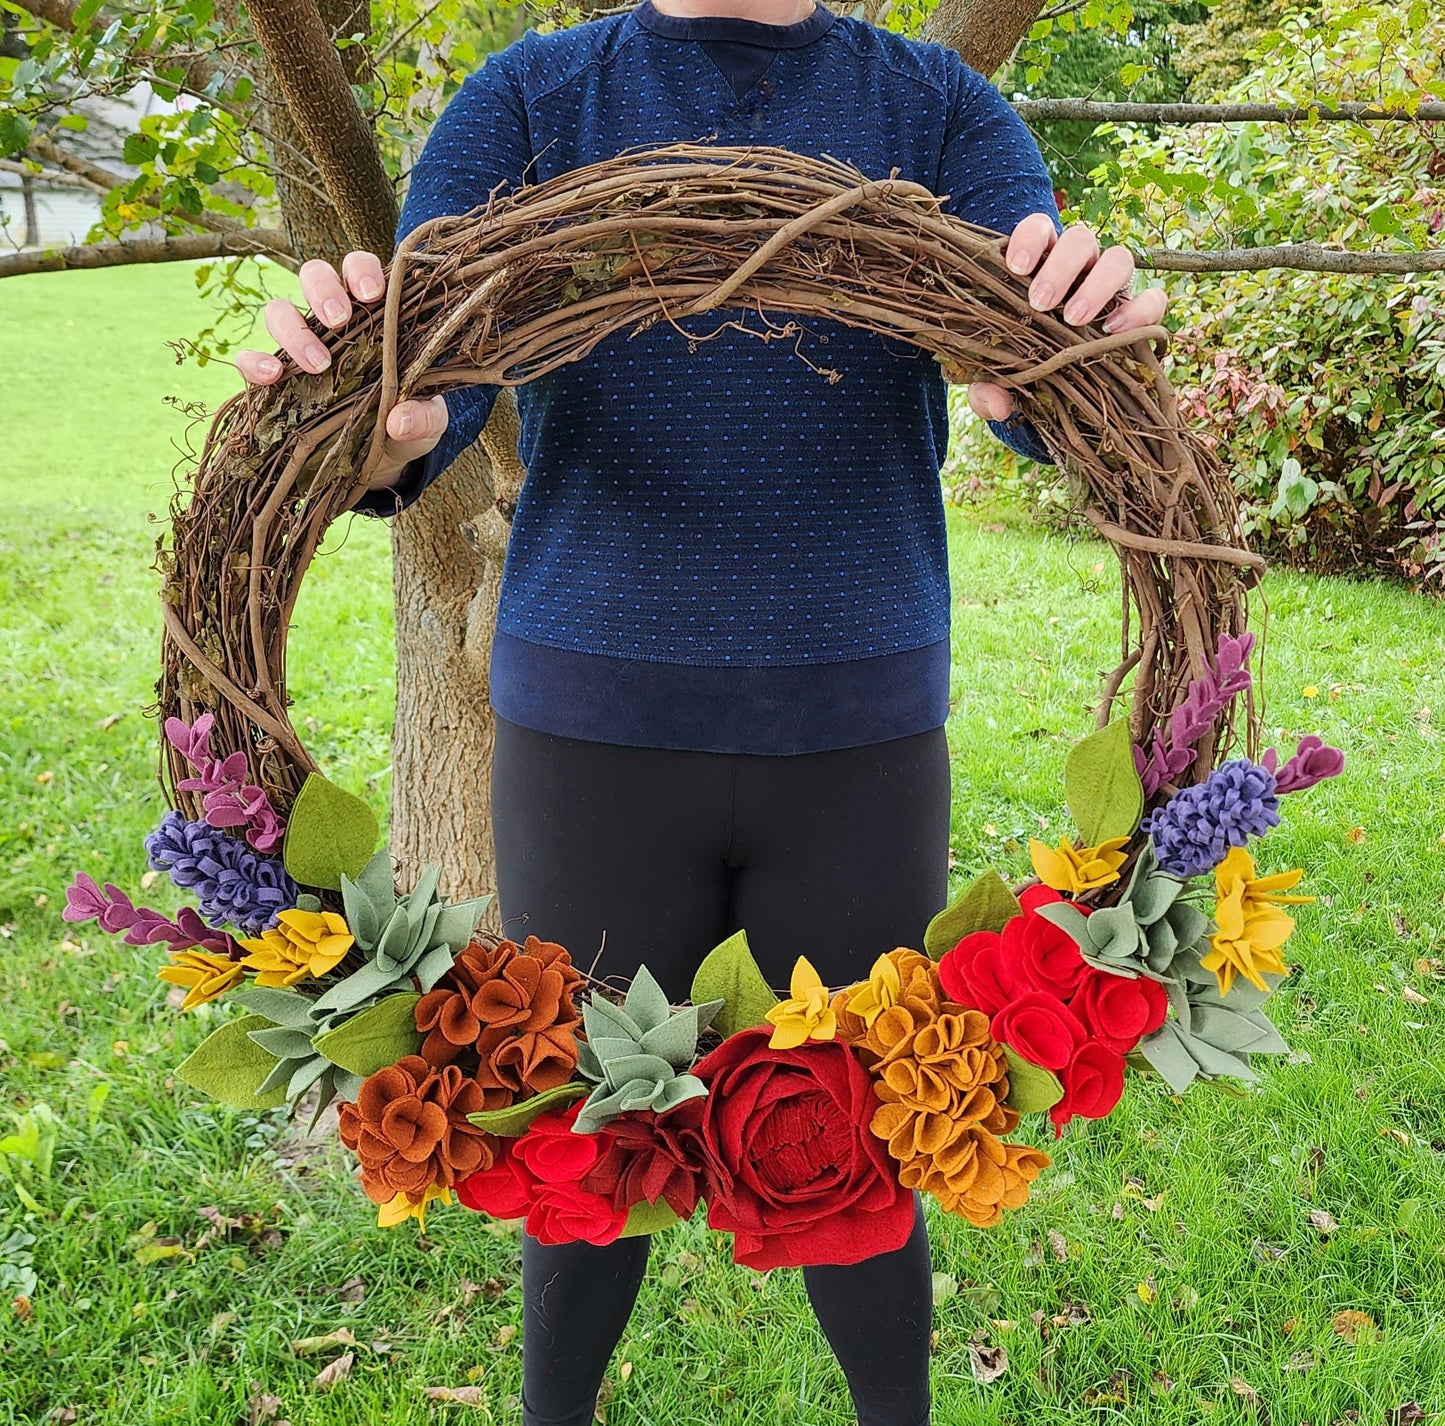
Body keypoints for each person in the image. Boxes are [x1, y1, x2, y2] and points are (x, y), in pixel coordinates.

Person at [239, 2, 1166, 1421]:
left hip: (858, 730)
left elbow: (1028, 381)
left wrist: (1071, 353)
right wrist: (366, 429)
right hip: (590, 732)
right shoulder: (533, 103)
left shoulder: (936, 115)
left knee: (866, 1142)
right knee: (579, 1145)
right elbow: (423, 398)